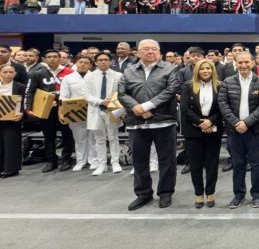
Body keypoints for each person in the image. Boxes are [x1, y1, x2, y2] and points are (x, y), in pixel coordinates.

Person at [119, 39, 183, 211]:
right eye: (146, 49)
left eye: (154, 49)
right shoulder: (129, 70)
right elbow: (121, 93)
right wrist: (136, 108)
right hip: (137, 123)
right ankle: (143, 193)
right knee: (139, 161)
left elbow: (171, 90)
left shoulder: (170, 69)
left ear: (159, 52)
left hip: (163, 121)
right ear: (138, 53)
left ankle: (165, 192)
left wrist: (147, 106)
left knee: (167, 160)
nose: (150, 52)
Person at [219, 52, 259, 208]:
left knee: (256, 164)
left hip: (254, 130)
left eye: (247, 62)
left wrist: (246, 123)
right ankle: (239, 195)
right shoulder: (227, 82)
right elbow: (223, 104)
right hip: (234, 131)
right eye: (240, 63)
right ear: (236, 64)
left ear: (253, 63)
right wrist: (236, 123)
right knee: (238, 164)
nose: (244, 65)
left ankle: (257, 195)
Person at [180, 59, 223, 208]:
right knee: (196, 165)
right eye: (202, 69)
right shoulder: (188, 86)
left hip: (213, 130)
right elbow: (185, 108)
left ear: (213, 70)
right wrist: (200, 123)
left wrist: (210, 121)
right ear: (197, 70)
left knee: (212, 164)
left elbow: (222, 108)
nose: (205, 71)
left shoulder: (219, 86)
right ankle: (198, 194)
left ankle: (210, 192)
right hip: (193, 131)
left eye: (208, 68)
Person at [24, 49, 75, 173]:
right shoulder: (36, 73)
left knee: (67, 135)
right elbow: (29, 91)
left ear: (60, 58)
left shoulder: (70, 72)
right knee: (48, 136)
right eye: (49, 57)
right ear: (44, 59)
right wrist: (28, 108)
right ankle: (51, 160)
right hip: (46, 109)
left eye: (55, 56)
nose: (52, 59)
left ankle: (66, 159)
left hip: (64, 108)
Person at [83, 53, 124, 176]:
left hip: (112, 110)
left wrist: (111, 102)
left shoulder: (118, 75)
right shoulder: (89, 76)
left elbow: (122, 93)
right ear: (95, 62)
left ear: (110, 62)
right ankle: (102, 164)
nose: (103, 62)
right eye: (100, 60)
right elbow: (86, 95)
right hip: (96, 109)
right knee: (99, 139)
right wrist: (101, 101)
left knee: (113, 137)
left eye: (106, 60)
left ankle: (115, 162)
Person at [60, 55, 97, 172]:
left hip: (93, 110)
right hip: (74, 111)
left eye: (86, 62)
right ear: (75, 63)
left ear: (90, 65)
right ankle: (80, 161)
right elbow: (63, 96)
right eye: (80, 62)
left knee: (93, 138)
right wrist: (62, 112)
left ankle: (93, 160)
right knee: (79, 138)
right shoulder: (68, 78)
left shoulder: (96, 77)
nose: (83, 64)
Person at [0, 64, 26, 178]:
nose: (8, 74)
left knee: (11, 144)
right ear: (0, 73)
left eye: (10, 72)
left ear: (15, 74)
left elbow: (25, 102)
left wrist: (22, 113)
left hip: (13, 118)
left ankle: (11, 169)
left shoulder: (20, 87)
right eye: (5, 72)